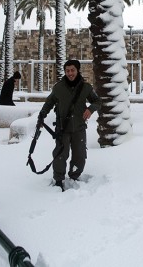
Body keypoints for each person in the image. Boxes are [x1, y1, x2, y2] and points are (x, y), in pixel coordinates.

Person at [37, 59, 101, 190]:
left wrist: (90, 109)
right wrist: (42, 115)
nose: (70, 73)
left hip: (79, 128)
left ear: (77, 70)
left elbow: (97, 101)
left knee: (80, 155)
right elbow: (49, 102)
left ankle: (74, 176)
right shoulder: (58, 88)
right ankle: (59, 180)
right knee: (60, 155)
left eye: (72, 70)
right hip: (62, 128)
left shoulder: (86, 87)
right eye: (67, 71)